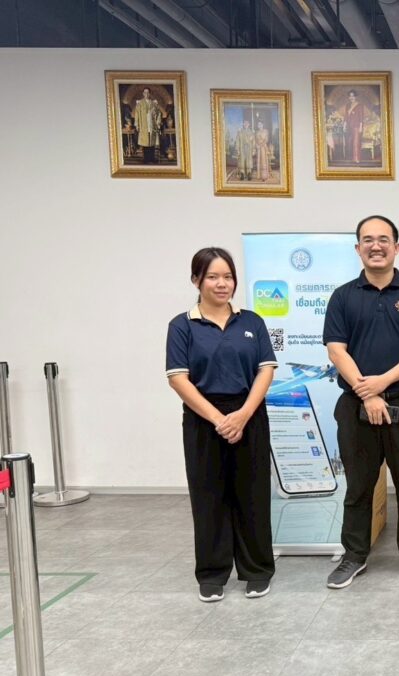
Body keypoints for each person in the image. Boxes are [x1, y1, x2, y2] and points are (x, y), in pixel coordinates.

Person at [322, 215, 399, 589]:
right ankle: (354, 557)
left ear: (396, 248)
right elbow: (336, 350)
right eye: (368, 240)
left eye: (384, 239)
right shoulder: (343, 296)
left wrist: (382, 384)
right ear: (358, 248)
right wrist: (368, 393)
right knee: (359, 487)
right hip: (355, 408)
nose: (376, 246)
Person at [165, 247, 278, 603]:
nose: (221, 283)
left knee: (253, 495)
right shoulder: (182, 325)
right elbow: (178, 378)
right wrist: (218, 419)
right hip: (203, 419)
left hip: (249, 414)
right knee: (208, 495)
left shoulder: (252, 322)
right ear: (196, 280)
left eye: (227, 276)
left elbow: (266, 370)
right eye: (212, 277)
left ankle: (257, 570)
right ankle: (212, 573)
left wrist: (242, 415)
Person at [133, 87, 162, 164]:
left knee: (152, 142)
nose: (146, 94)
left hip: (152, 125)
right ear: (143, 94)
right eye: (145, 92)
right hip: (144, 125)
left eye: (148, 92)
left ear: (149, 94)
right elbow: (137, 114)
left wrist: (158, 123)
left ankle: (152, 158)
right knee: (145, 143)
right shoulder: (140, 104)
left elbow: (159, 113)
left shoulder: (154, 103)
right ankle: (146, 159)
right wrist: (137, 124)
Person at [343, 90, 366, 163]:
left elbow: (361, 117)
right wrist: (344, 125)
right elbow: (346, 116)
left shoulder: (359, 105)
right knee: (350, 142)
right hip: (349, 126)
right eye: (350, 96)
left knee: (356, 142)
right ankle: (353, 158)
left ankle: (357, 158)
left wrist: (361, 127)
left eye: (353, 96)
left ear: (355, 96)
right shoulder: (347, 105)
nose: (351, 97)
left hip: (357, 126)